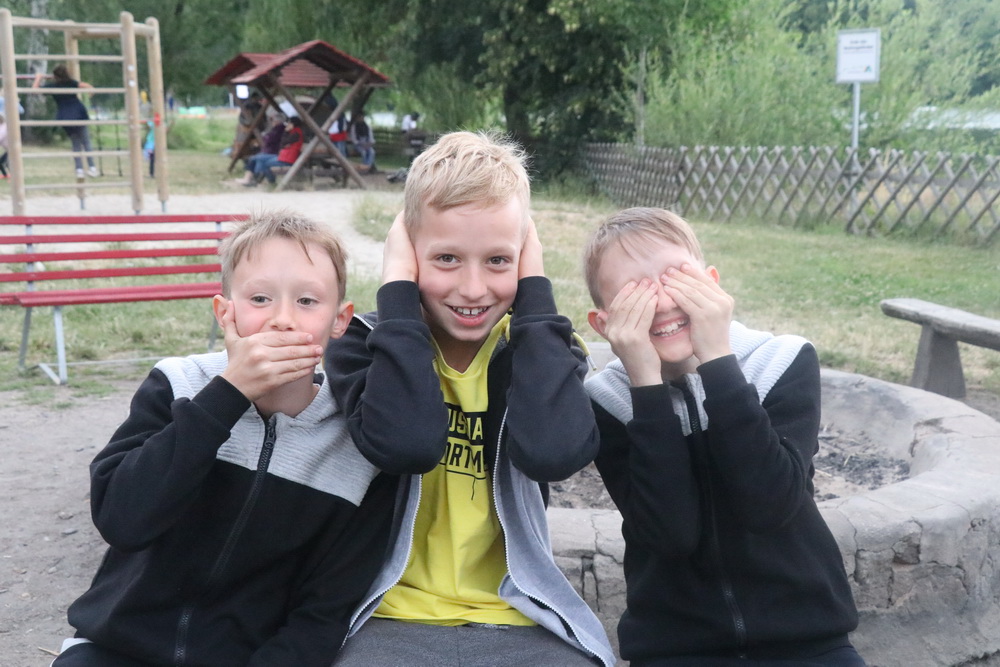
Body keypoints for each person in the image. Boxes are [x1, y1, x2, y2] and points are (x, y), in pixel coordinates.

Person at [52, 210, 396, 667]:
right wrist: (228, 394)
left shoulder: (355, 439)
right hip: (114, 647)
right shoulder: (178, 385)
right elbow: (121, 519)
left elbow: (323, 612)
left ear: (340, 320)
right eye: (260, 298)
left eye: (307, 301)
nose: (282, 320)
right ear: (224, 312)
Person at [324, 130, 615, 667]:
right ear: (408, 253)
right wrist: (397, 293)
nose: (474, 288)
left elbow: (553, 453)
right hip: (385, 616)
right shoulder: (363, 345)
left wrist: (534, 294)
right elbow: (406, 443)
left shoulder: (541, 351)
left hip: (520, 615)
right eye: (447, 258)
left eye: (499, 260)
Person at [582, 207, 864, 665]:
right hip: (675, 647)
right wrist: (646, 385)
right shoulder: (607, 400)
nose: (663, 303)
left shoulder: (782, 361)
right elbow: (671, 534)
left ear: (712, 284)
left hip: (808, 635)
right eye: (636, 293)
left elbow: (770, 505)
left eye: (676, 278)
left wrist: (716, 359)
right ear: (604, 324)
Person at [33, 65, 99, 178]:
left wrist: (38, 78)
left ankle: (79, 170)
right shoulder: (71, 83)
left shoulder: (53, 87)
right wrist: (91, 91)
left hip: (66, 116)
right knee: (86, 142)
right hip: (79, 114)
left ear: (55, 76)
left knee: (75, 144)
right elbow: (86, 85)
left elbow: (35, 91)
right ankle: (92, 168)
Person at [249, 115, 304, 186]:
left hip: (287, 159)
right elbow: (283, 144)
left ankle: (271, 182)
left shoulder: (296, 133)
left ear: (293, 124)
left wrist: (285, 132)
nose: (287, 125)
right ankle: (257, 181)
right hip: (283, 156)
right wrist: (285, 144)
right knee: (259, 158)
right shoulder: (293, 132)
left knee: (264, 163)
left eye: (289, 123)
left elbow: (283, 142)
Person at [235, 113, 285, 185]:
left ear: (277, 121)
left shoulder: (279, 129)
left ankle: (252, 179)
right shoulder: (278, 129)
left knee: (256, 159)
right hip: (272, 151)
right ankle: (251, 179)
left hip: (273, 152)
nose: (272, 122)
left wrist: (265, 136)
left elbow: (269, 139)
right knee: (254, 158)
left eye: (273, 120)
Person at [0, 114, 8, 179]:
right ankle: (5, 175)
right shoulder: (2, 126)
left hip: (12, 149)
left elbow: (1, 137)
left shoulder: (3, 127)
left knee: (9, 163)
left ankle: (14, 177)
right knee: (1, 162)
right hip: (8, 150)